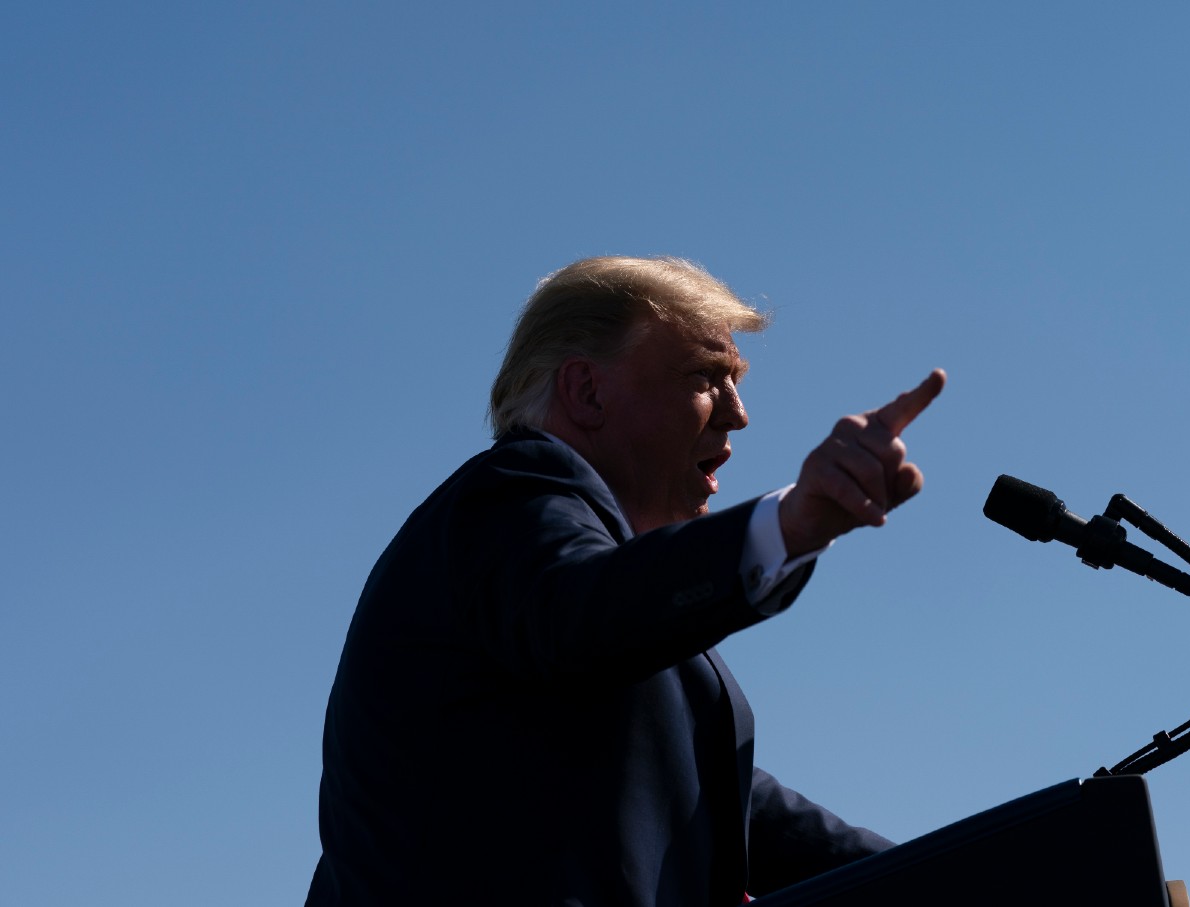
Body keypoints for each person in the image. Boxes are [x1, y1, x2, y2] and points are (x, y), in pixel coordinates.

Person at [305, 256, 945, 906]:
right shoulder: (509, 496)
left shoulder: (622, 595)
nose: (737, 413)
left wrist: (958, 876)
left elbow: (734, 805)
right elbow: (579, 609)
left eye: (736, 381)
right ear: (587, 392)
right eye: (705, 377)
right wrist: (787, 526)